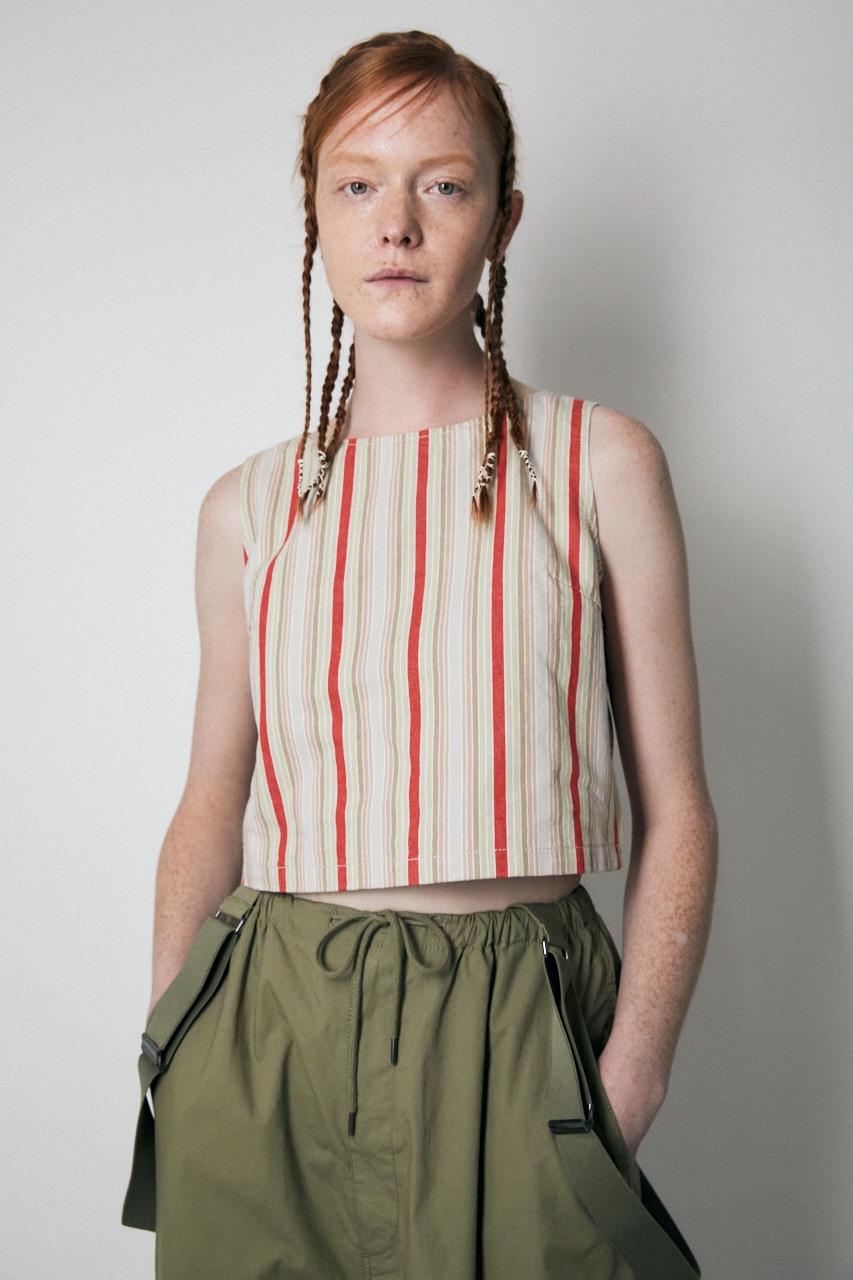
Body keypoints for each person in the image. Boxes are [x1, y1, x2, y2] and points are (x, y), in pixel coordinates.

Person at [123, 30, 717, 1280]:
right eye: (357, 184)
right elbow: (209, 798)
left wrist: (634, 1072)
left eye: (442, 184)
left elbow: (678, 806)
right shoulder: (247, 506)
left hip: (520, 1025)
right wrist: (173, 1034)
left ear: (502, 216)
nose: (395, 222)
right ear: (316, 211)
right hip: (270, 1025)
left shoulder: (600, 463)